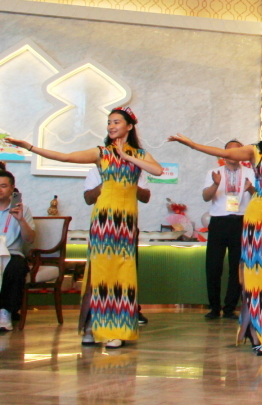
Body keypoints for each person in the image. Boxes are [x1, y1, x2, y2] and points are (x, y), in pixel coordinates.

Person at [6, 107, 163, 349]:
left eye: (117, 122)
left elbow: (157, 170)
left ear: (130, 126)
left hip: (127, 223)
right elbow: (65, 157)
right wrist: (30, 147)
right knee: (99, 274)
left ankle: (118, 330)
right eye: (109, 122)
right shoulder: (101, 152)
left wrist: (126, 155)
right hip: (103, 220)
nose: (111, 126)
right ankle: (94, 327)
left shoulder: (140, 155)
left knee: (123, 276)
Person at [168, 104, 262, 356]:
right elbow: (225, 152)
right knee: (255, 274)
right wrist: (192, 144)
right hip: (257, 214)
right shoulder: (255, 150)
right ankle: (254, 331)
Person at [84, 165, 151, 325]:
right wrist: (108, 181)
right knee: (100, 272)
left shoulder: (135, 170)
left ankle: (131, 311)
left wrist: (130, 181)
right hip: (102, 228)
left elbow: (146, 197)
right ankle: (97, 313)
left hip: (127, 227)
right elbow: (88, 199)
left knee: (127, 272)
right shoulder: (96, 171)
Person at [201, 140, 255, 320]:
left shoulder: (250, 172)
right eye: (229, 151)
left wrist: (251, 188)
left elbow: (259, 197)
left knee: (237, 267)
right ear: (223, 154)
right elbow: (205, 197)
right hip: (218, 221)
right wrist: (215, 184)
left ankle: (230, 308)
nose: (233, 154)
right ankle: (214, 308)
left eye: (238, 151)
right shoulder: (214, 172)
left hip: (241, 221)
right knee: (213, 266)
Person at [0, 170, 35, 331]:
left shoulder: (23, 209)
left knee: (16, 267)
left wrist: (20, 220)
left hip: (12, 253)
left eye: (3, 186)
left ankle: (6, 311)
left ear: (12, 188)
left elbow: (29, 239)